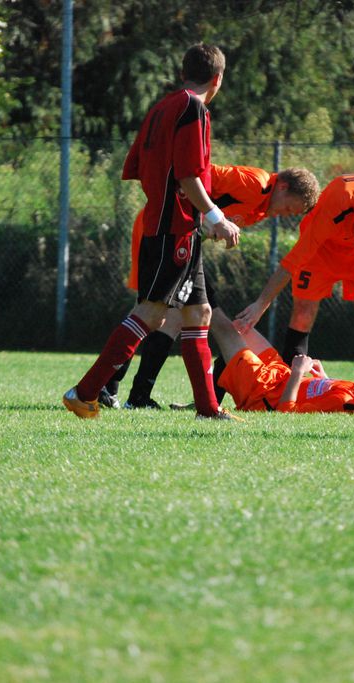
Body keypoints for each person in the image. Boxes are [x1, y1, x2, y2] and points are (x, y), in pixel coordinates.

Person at [63, 43, 242, 420]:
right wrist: (214, 217)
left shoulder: (162, 107)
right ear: (218, 79)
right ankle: (85, 392)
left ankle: (209, 410)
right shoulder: (194, 108)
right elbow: (187, 174)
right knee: (152, 313)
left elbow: (139, 166)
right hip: (173, 227)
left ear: (182, 74)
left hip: (174, 225)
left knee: (199, 313)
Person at [101, 164, 320, 409]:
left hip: (181, 242)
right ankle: (113, 388)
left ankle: (131, 393)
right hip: (162, 233)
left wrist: (211, 228)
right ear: (283, 186)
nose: (284, 214)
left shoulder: (259, 208)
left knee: (165, 317)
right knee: (150, 312)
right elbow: (191, 178)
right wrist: (209, 221)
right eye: (289, 207)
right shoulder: (254, 184)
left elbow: (207, 219)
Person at [235, 173, 354, 386]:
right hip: (322, 250)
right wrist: (260, 304)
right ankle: (287, 382)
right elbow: (292, 262)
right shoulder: (336, 205)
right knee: (303, 313)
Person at [208, 309, 354, 414]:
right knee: (241, 325)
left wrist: (297, 373)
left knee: (221, 325)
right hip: (278, 376)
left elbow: (285, 412)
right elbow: (325, 394)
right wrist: (324, 379)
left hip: (262, 392)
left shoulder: (348, 404)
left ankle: (191, 297)